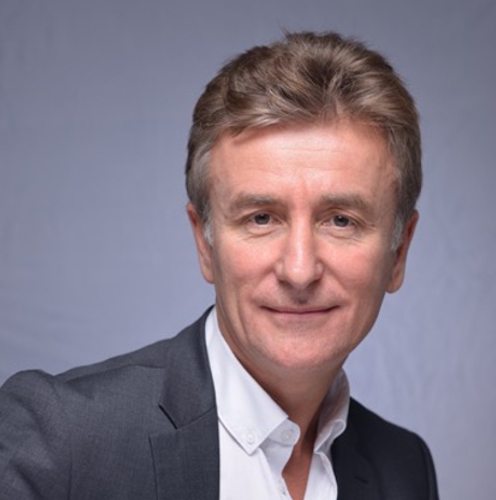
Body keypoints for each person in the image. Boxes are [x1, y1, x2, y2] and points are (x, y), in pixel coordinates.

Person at [0, 31, 439, 499]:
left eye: (341, 221)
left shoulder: (404, 468)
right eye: (261, 218)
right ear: (205, 244)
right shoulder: (59, 439)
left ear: (399, 253)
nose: (298, 270)